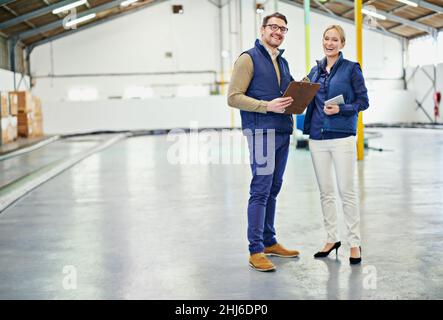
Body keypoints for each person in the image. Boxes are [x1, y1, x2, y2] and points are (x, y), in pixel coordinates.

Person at [227, 12, 300, 272]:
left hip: (282, 131)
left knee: (273, 189)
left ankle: (269, 241)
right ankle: (255, 249)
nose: (278, 32)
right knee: (260, 190)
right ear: (262, 30)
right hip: (261, 133)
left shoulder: (283, 62)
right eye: (273, 27)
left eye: (283, 29)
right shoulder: (248, 59)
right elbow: (233, 97)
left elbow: (288, 94)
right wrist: (266, 106)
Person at [304, 25, 369, 265]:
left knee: (346, 192)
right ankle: (331, 239)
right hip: (317, 137)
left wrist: (341, 108)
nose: (329, 43)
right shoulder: (315, 70)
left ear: (342, 44)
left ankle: (354, 242)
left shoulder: (351, 69)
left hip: (342, 137)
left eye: (335, 40)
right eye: (326, 39)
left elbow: (364, 101)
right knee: (326, 193)